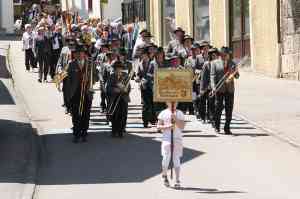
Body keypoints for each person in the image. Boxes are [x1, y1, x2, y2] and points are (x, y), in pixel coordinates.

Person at [66, 44, 93, 143]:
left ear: (84, 54)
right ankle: (76, 134)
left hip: (87, 93)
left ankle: (84, 133)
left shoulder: (90, 64)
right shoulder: (71, 64)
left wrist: (90, 78)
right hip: (75, 93)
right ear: (76, 54)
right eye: (78, 53)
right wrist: (68, 95)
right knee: (76, 115)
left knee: (86, 114)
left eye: (82, 53)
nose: (80, 55)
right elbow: (67, 80)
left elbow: (96, 77)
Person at [210, 47, 240, 134]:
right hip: (219, 89)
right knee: (218, 108)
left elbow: (237, 76)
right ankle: (217, 126)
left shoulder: (232, 63)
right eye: (223, 54)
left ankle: (227, 127)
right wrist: (213, 87)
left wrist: (235, 72)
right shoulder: (214, 63)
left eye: (226, 55)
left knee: (229, 109)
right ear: (220, 54)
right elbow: (212, 76)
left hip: (230, 89)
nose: (225, 56)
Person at [157, 102, 185, 188]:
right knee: (166, 158)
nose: (173, 103)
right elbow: (158, 127)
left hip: (177, 139)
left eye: (176, 102)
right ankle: (165, 175)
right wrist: (168, 127)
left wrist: (176, 119)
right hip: (167, 139)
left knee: (176, 158)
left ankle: (177, 179)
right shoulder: (163, 113)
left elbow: (182, 126)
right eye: (170, 102)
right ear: (166, 103)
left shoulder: (180, 113)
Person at [106, 61, 131, 138]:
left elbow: (129, 87)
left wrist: (126, 89)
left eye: (120, 68)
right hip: (114, 98)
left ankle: (121, 130)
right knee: (114, 115)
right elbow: (108, 88)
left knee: (123, 115)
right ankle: (114, 130)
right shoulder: (111, 76)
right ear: (114, 69)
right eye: (117, 68)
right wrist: (115, 90)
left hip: (123, 98)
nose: (118, 70)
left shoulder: (126, 76)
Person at [136, 48, 156, 127]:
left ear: (148, 56)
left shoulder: (152, 63)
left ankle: (153, 119)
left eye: (145, 55)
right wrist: (138, 79)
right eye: (142, 56)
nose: (143, 57)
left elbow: (154, 74)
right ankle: (145, 121)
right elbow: (138, 74)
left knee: (152, 103)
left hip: (152, 85)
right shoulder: (140, 64)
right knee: (145, 104)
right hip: (143, 86)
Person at [200, 48, 219, 125]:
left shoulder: (218, 64)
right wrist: (202, 89)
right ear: (210, 56)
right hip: (206, 86)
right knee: (203, 103)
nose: (214, 57)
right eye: (213, 55)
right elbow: (203, 77)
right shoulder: (206, 64)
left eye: (215, 55)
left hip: (214, 87)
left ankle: (210, 117)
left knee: (211, 103)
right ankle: (203, 117)